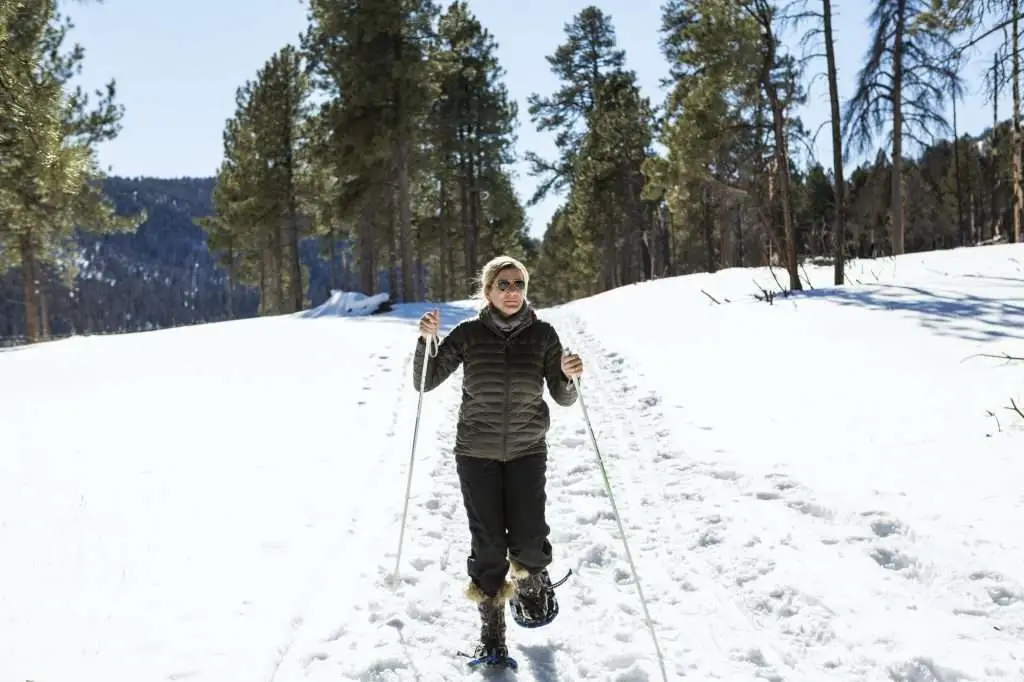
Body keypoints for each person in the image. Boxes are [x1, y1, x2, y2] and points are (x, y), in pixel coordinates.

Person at [412, 255, 583, 664]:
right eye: (503, 285)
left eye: (518, 284)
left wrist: (568, 374)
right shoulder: (469, 334)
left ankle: (532, 582)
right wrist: (426, 342)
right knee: (487, 546)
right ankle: (492, 634)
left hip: (526, 450)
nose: (511, 292)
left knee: (527, 537)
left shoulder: (544, 335)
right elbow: (427, 380)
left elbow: (562, 397)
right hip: (476, 453)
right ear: (488, 292)